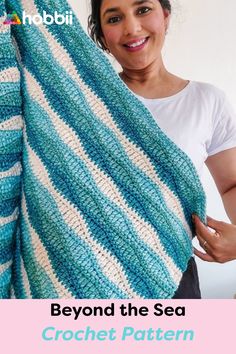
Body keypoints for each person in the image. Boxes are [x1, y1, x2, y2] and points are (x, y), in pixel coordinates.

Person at [88, 0, 236, 288]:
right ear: (103, 35)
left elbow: (231, 184)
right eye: (114, 18)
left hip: (173, 278)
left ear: (165, 17)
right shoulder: (83, 101)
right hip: (90, 277)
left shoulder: (207, 101)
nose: (132, 27)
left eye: (143, 10)